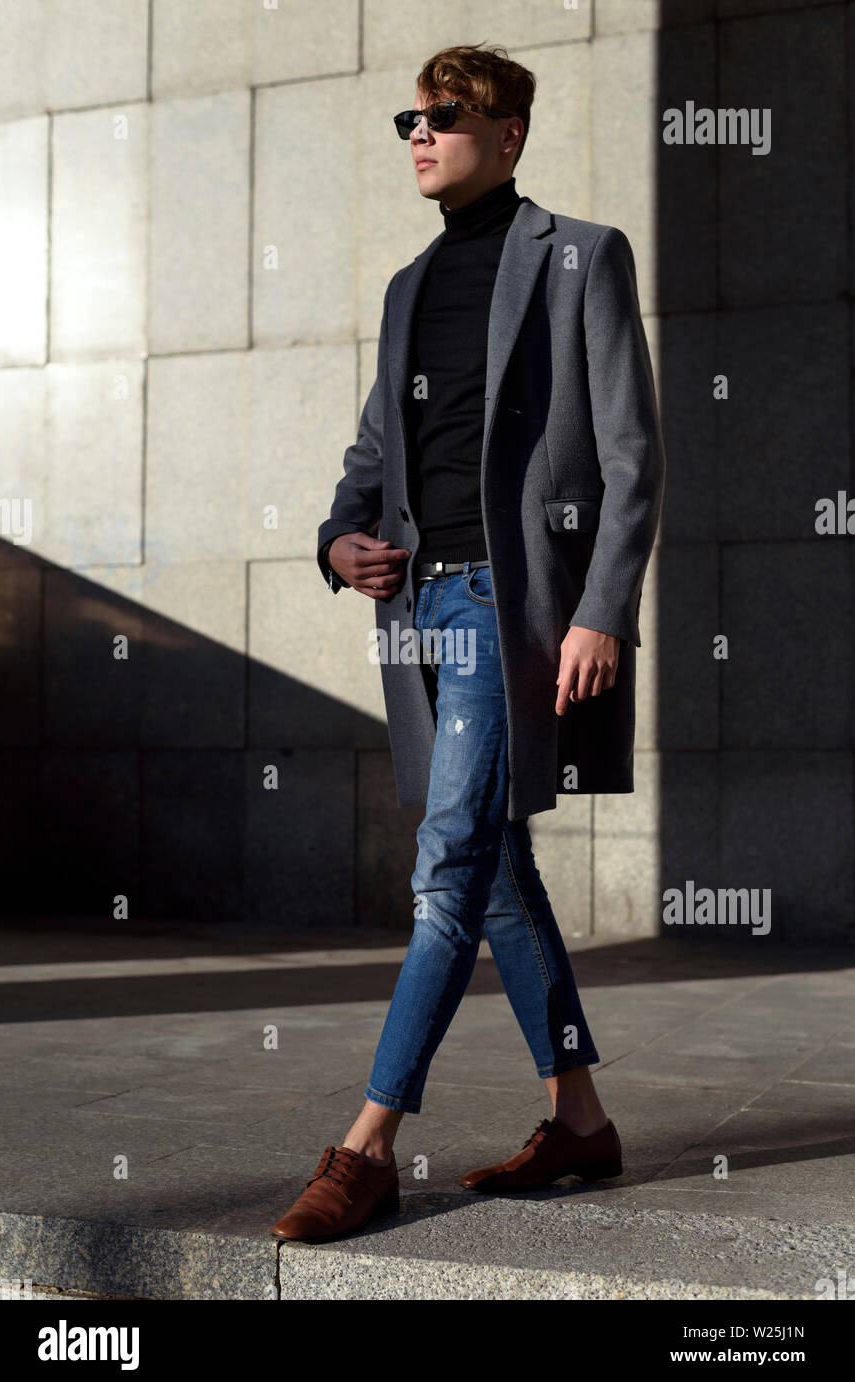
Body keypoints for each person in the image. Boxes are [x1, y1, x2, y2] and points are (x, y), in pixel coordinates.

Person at [273, 42, 665, 1243]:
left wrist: (599, 608)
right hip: (418, 616)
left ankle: (367, 1145)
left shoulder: (579, 257)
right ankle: (581, 1121)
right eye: (412, 115)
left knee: (446, 868)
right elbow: (371, 463)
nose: (421, 133)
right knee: (498, 869)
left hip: (514, 609)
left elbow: (631, 458)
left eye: (445, 116)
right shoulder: (405, 289)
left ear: (508, 135)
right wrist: (341, 544)